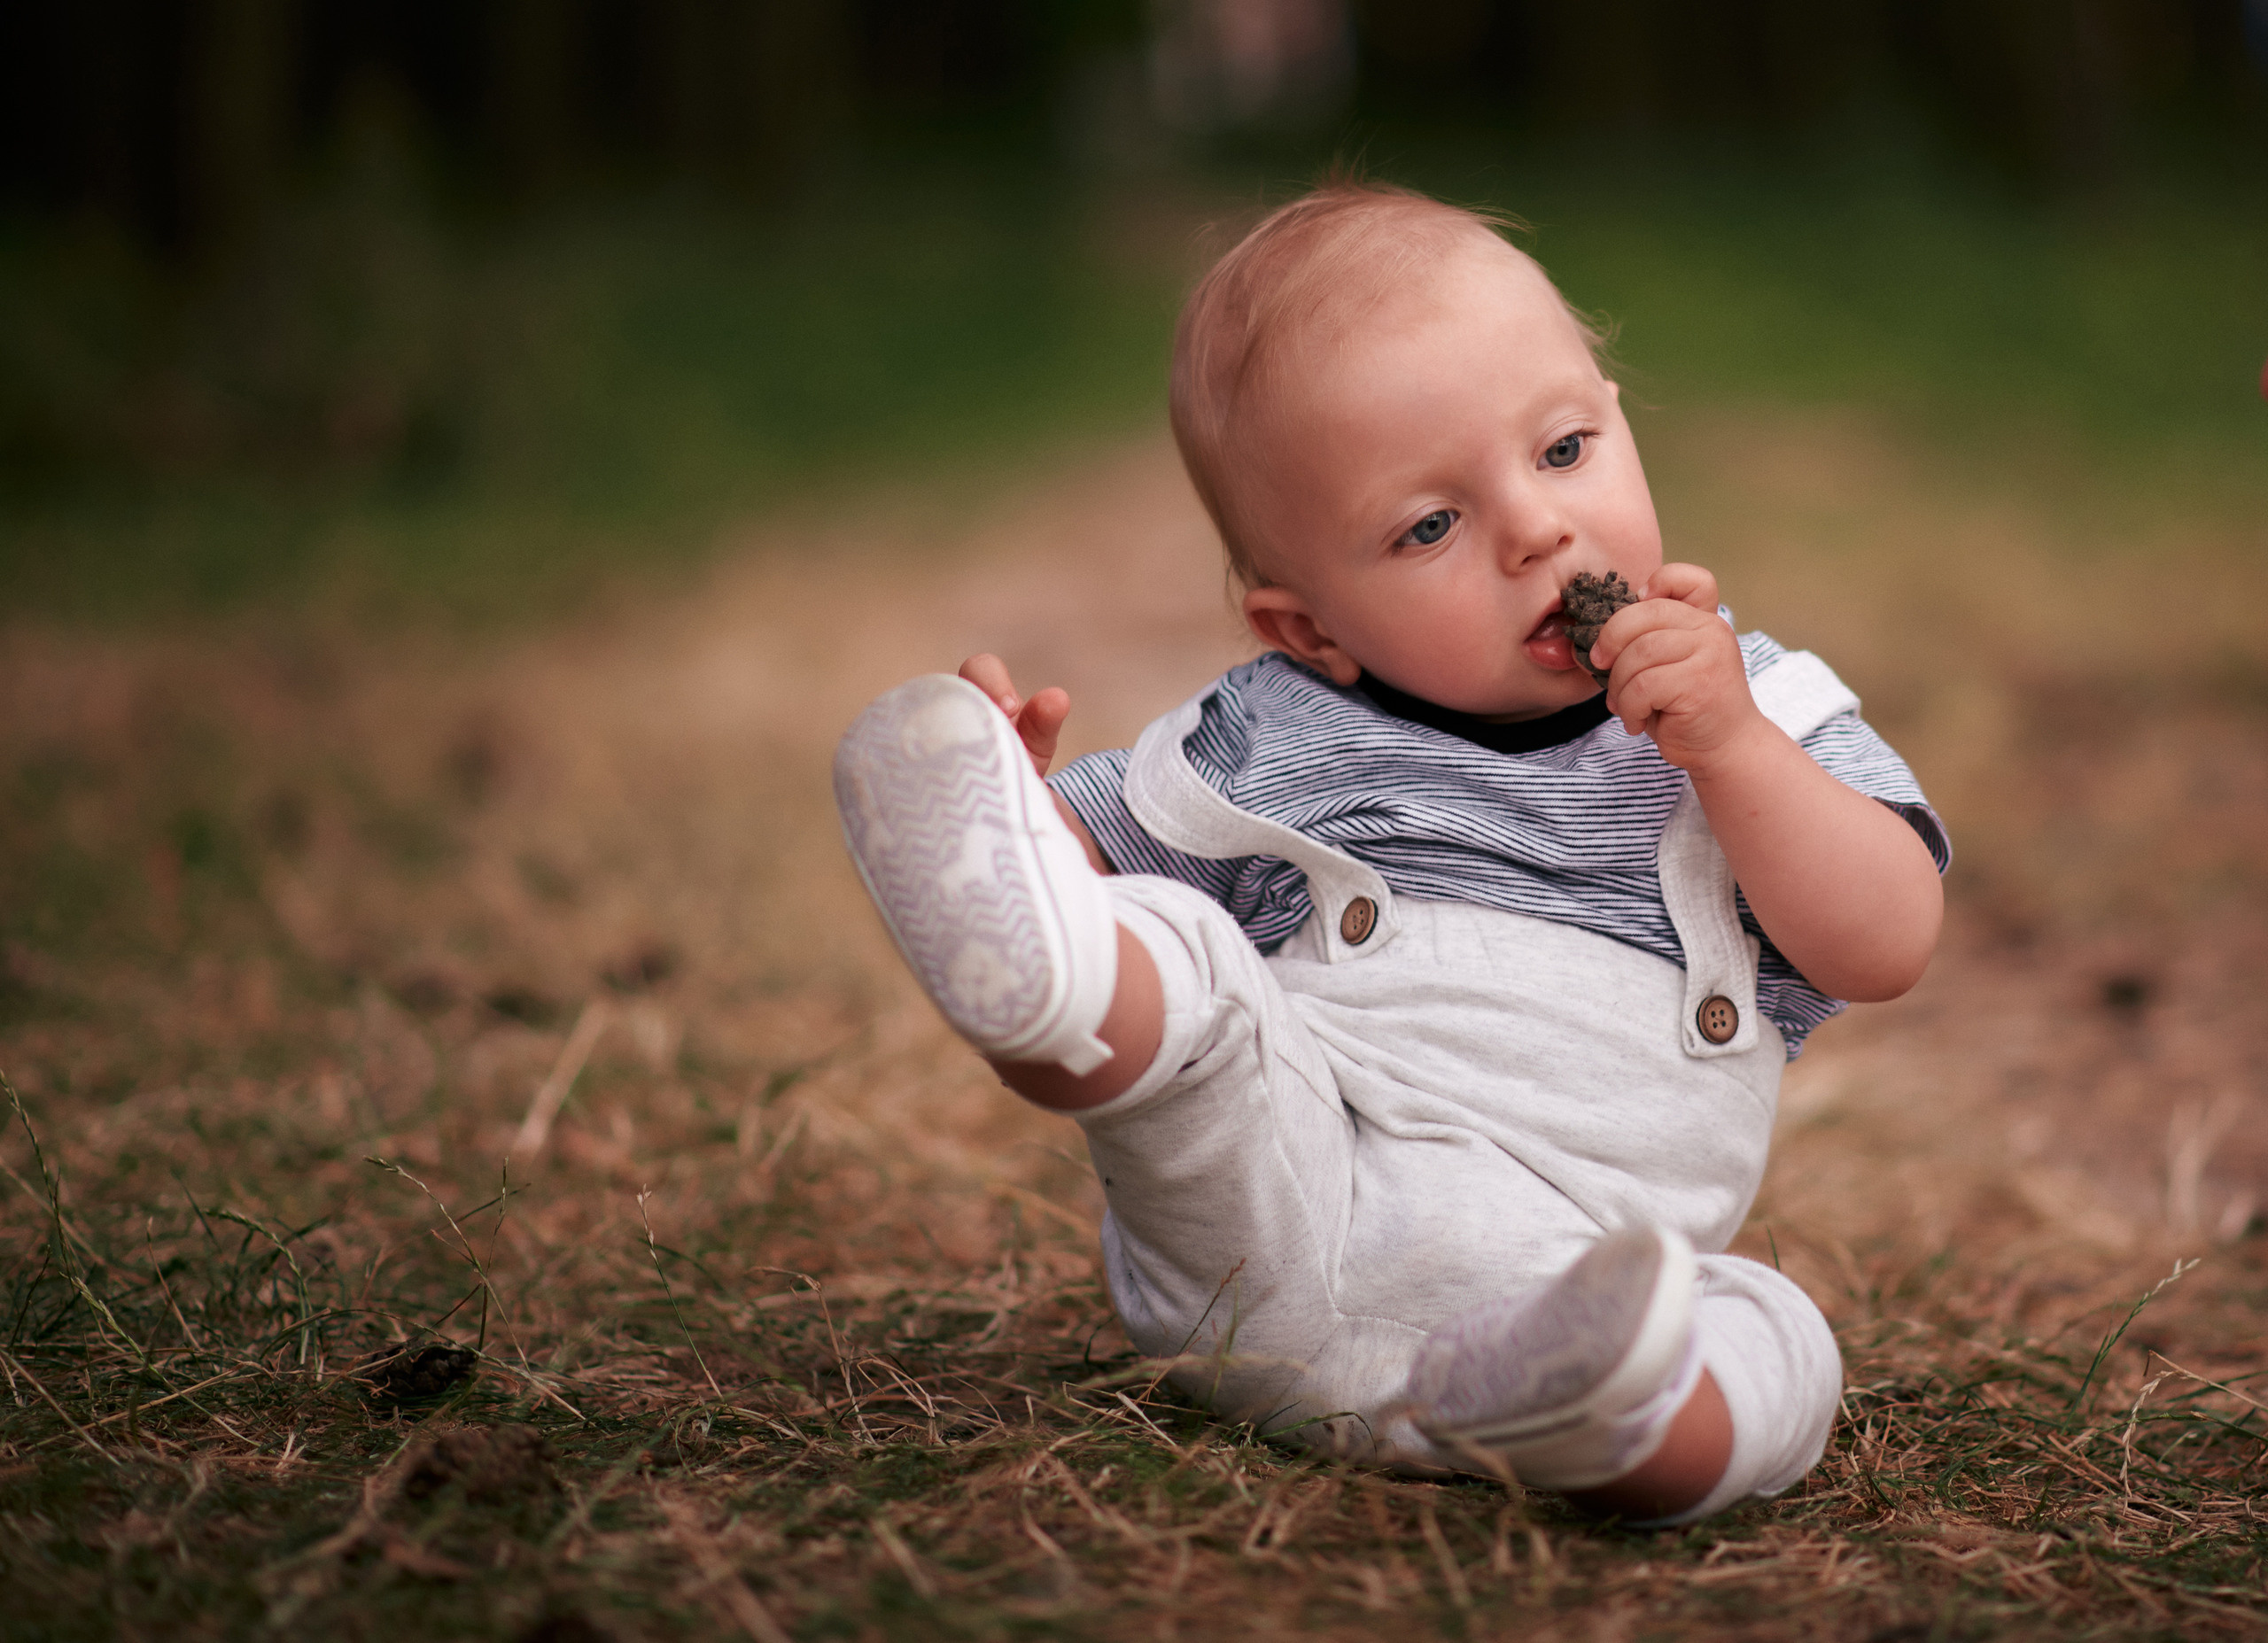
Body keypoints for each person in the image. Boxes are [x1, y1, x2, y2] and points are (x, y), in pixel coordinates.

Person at [831, 181, 1947, 1524]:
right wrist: (1027, 824)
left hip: (1568, 1259)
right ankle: (1051, 1010)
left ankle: (1607, 1416)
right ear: (1310, 632)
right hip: (1270, 1212)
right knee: (1184, 961)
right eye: (1430, 526)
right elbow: (1115, 857)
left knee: (1774, 1341)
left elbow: (1888, 939)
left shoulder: (1754, 711)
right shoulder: (1279, 733)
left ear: (1622, 419)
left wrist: (1736, 752)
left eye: (1564, 449)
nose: (1537, 530)